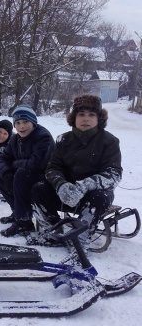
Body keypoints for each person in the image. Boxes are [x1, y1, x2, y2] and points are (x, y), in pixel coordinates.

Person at [32, 94, 123, 253]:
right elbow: (53, 168)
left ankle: (81, 238)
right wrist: (61, 185)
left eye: (91, 115)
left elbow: (114, 174)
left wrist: (85, 186)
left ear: (99, 118)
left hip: (92, 198)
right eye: (81, 114)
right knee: (38, 188)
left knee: (99, 196)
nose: (85, 119)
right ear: (74, 117)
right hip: (66, 195)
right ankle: (52, 230)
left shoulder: (110, 141)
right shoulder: (63, 139)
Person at [0, 104, 55, 237]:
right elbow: (2, 159)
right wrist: (6, 174)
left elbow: (37, 164)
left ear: (33, 122)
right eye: (18, 123)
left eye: (25, 122)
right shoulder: (15, 139)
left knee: (21, 174)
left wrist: (14, 164)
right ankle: (17, 212)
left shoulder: (43, 137)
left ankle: (24, 223)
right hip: (26, 175)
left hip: (45, 179)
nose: (22, 126)